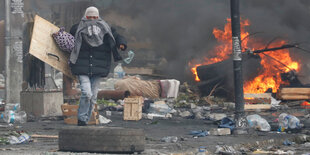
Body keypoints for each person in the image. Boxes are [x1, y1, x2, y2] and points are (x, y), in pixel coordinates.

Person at [69, 6, 127, 126]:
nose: (92, 20)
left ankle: (85, 119)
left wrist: (121, 44)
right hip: (82, 67)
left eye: (95, 17)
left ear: (98, 17)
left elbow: (116, 36)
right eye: (89, 17)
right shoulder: (76, 28)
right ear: (85, 16)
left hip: (98, 67)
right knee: (87, 93)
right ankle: (81, 118)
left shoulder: (106, 28)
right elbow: (68, 42)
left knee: (93, 97)